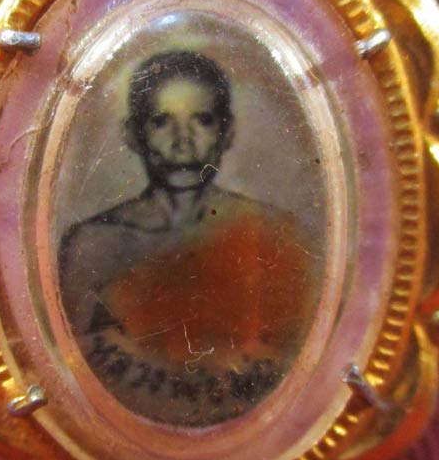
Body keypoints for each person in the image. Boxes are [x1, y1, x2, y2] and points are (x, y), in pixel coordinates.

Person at [59, 50, 307, 426]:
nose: (183, 142)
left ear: (227, 132)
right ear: (133, 134)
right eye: (162, 122)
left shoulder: (274, 235)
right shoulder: (91, 246)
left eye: (202, 120)